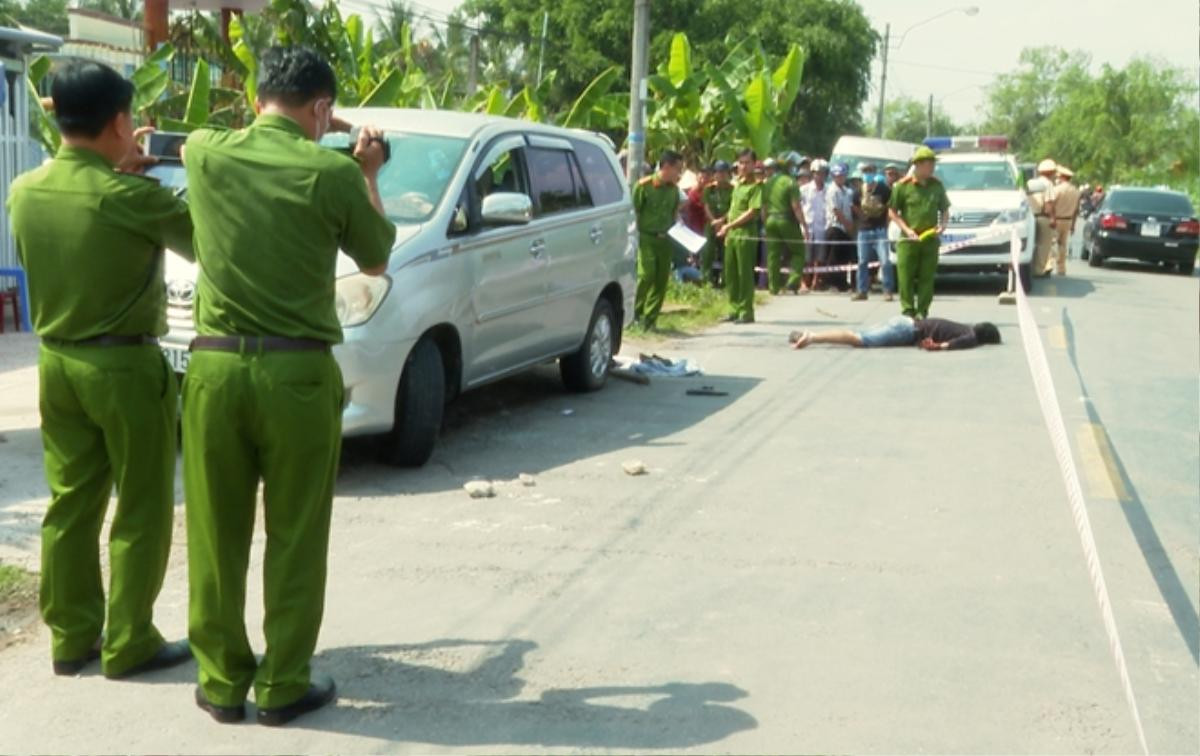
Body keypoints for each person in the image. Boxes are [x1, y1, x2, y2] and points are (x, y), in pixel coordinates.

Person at [182, 45, 396, 726]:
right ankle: (281, 686)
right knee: (296, 534)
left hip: (214, 370)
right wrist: (365, 169)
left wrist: (317, 125)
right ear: (322, 107)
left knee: (216, 534)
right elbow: (376, 254)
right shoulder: (331, 174)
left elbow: (226, 132)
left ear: (255, 99)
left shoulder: (204, 153)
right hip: (299, 374)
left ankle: (220, 683)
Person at [7, 62, 195, 680]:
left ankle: (72, 637)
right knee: (140, 505)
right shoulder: (134, 197)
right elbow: (202, 242)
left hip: (56, 361)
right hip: (124, 363)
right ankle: (130, 639)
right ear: (121, 123)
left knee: (71, 503)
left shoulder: (24, 189)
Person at [888, 146, 950, 320]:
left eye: (933, 164)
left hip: (930, 239)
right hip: (909, 240)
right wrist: (907, 230)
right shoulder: (902, 186)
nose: (932, 168)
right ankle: (908, 311)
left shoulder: (937, 186)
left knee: (926, 278)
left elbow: (945, 210)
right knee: (905, 277)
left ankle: (922, 312)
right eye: (929, 164)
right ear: (918, 165)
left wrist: (943, 225)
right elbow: (892, 212)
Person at [632, 150, 684, 330]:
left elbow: (675, 215)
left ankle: (650, 319)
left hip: (666, 239)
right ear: (667, 167)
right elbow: (635, 214)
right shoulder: (643, 186)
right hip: (647, 237)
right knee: (647, 275)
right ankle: (634, 314)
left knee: (661, 280)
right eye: (678, 169)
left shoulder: (674, 190)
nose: (680, 174)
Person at [715, 148, 761, 323]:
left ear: (754, 164)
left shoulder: (756, 187)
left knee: (744, 274)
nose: (743, 166)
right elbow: (733, 210)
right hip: (731, 233)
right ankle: (733, 308)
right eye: (741, 163)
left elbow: (751, 212)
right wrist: (722, 221)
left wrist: (729, 225)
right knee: (731, 273)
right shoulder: (738, 184)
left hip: (745, 234)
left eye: (747, 163)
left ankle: (746, 311)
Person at [788, 316, 1001, 350]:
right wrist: (940, 346)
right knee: (858, 340)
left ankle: (813, 334)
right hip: (906, 331)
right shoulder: (973, 336)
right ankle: (812, 337)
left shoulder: (964, 326)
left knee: (856, 334)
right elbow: (962, 342)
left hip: (904, 321)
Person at [762, 152, 808, 295]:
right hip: (786, 220)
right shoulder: (790, 182)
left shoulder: (768, 183)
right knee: (799, 251)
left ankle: (773, 287)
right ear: (789, 166)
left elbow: (763, 209)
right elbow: (796, 207)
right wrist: (804, 226)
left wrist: (766, 224)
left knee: (773, 255)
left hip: (770, 220)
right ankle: (792, 282)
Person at [852, 163, 894, 302]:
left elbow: (890, 206)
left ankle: (887, 291)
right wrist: (862, 217)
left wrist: (887, 223)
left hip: (880, 229)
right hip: (864, 230)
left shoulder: (883, 189)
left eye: (870, 171)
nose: (867, 174)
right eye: (865, 171)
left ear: (875, 172)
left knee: (885, 261)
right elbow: (854, 205)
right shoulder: (859, 189)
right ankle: (862, 290)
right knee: (862, 261)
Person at [796, 159, 830, 292]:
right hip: (807, 226)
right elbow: (798, 207)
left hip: (822, 226)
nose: (819, 176)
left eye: (822, 173)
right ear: (812, 174)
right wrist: (802, 224)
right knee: (805, 257)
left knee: (819, 257)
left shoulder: (829, 190)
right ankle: (804, 282)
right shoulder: (804, 190)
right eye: (816, 173)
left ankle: (817, 281)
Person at [823, 162, 855, 292]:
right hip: (835, 227)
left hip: (845, 229)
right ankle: (832, 283)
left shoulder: (847, 191)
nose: (839, 178)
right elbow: (835, 209)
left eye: (841, 176)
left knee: (844, 256)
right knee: (833, 256)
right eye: (836, 176)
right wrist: (847, 224)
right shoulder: (832, 190)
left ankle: (842, 283)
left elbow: (850, 207)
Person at [701, 160, 734, 286]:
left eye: (723, 173)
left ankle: (726, 282)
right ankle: (706, 281)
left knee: (726, 255)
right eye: (718, 172)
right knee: (707, 253)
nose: (720, 175)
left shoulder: (733, 190)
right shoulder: (709, 190)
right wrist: (714, 221)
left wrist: (722, 221)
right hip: (711, 225)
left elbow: (733, 208)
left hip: (727, 225)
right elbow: (706, 206)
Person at [1031, 158, 1059, 277]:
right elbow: (1049, 204)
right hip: (1043, 217)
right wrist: (1052, 218)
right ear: (1051, 172)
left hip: (1031, 217)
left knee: (1033, 244)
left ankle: (1032, 268)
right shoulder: (1048, 184)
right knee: (1043, 245)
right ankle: (1038, 271)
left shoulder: (1032, 182)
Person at [1051, 165, 1080, 271]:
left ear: (1062, 177)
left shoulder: (1056, 189)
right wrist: (1073, 225)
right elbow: (1076, 210)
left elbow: (1052, 206)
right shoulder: (1075, 191)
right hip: (1068, 220)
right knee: (1063, 244)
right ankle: (1061, 267)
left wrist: (1052, 218)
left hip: (1056, 219)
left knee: (1052, 243)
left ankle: (1049, 265)